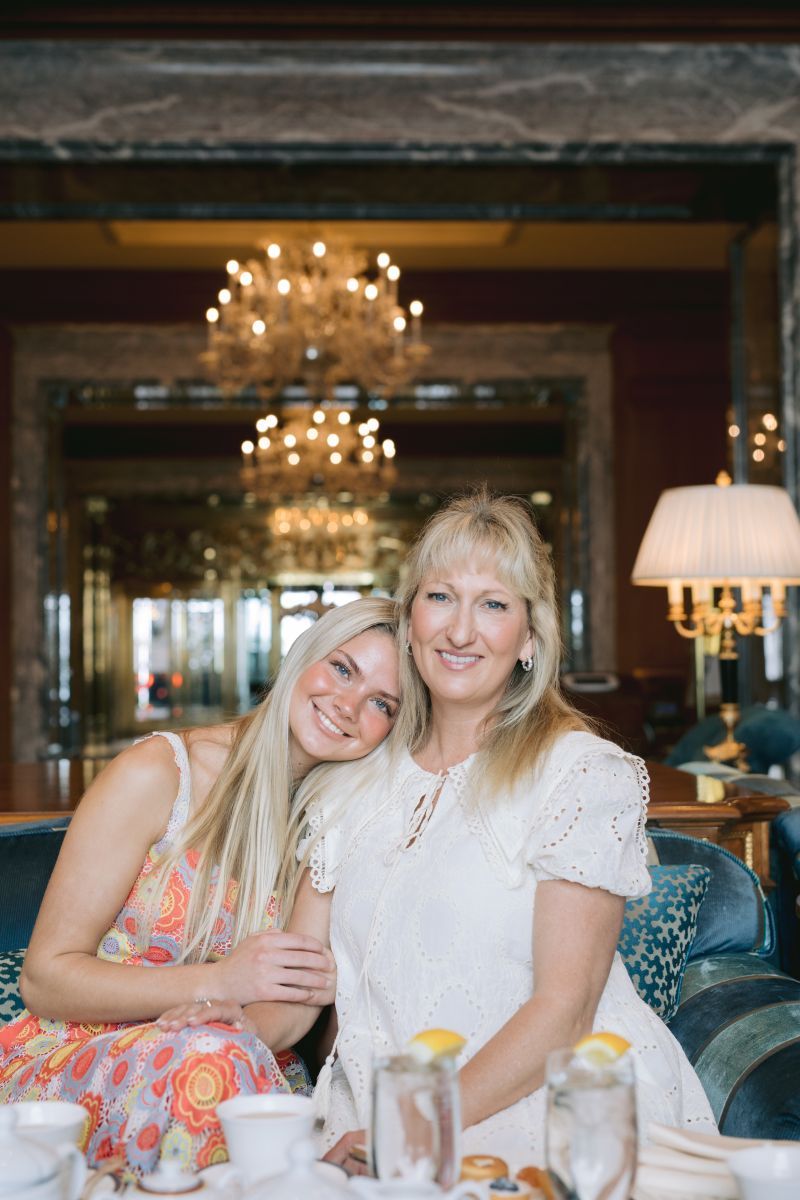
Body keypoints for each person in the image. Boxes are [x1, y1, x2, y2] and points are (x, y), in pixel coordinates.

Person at [260, 489, 716, 1173]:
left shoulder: (582, 775)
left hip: (554, 1116)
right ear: (409, 620)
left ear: (530, 637)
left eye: (494, 604)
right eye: (440, 597)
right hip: (371, 1128)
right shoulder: (348, 782)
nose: (461, 631)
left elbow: (566, 1012)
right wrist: (194, 1024)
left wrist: (412, 1128)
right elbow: (294, 1001)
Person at [0, 596, 400, 1178]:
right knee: (206, 1065)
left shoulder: (344, 816)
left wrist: (242, 1023)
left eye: (381, 703)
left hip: (237, 1061)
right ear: (302, 654)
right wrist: (219, 983)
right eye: (342, 668)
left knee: (213, 1062)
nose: (347, 704)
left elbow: (298, 996)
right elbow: (44, 978)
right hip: (75, 1057)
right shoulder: (159, 772)